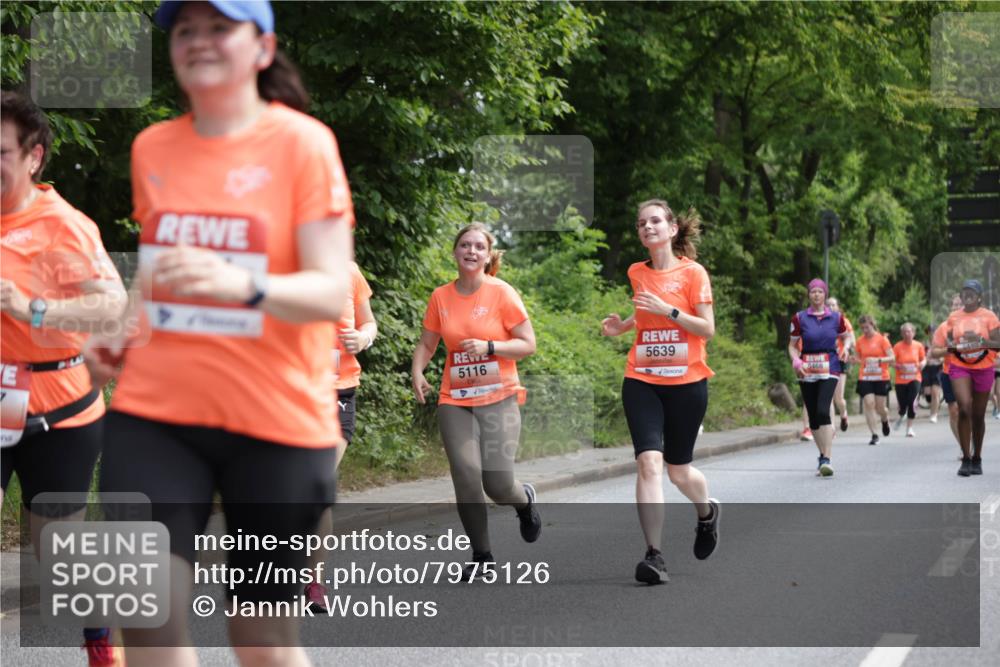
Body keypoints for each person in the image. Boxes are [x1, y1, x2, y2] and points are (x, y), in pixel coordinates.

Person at [85, 2, 354, 665]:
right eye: (184, 30)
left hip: (276, 421)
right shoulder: (154, 146)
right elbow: (159, 260)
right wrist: (123, 327)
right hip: (157, 411)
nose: (198, 41)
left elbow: (329, 289)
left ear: (262, 47)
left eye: (218, 27)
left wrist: (246, 285)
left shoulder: (303, 143)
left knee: (260, 637)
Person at [0, 90, 127, 666]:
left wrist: (31, 308)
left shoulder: (61, 226)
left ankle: (100, 643)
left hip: (59, 404)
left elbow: (111, 309)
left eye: (0, 151)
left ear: (34, 157)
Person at [411, 222, 541, 580]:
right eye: (464, 245)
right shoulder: (441, 296)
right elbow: (427, 343)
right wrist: (418, 371)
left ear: (488, 255)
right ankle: (482, 556)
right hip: (456, 397)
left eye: (478, 247)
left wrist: (490, 347)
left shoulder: (502, 293)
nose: (471, 251)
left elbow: (528, 344)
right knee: (466, 475)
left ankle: (524, 501)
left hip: (499, 396)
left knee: (497, 484)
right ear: (455, 252)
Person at [601, 199, 719, 584]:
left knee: (679, 471)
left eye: (655, 221)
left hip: (687, 383)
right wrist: (624, 326)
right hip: (643, 378)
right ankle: (654, 555)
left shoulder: (694, 273)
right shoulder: (637, 272)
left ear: (671, 229)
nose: (647, 227)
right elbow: (645, 309)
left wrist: (667, 310)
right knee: (648, 462)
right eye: (641, 223)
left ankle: (706, 513)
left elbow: (705, 328)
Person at [304, 260, 377, 609]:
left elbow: (369, 322)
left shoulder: (349, 270)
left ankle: (313, 582)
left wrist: (363, 337)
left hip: (338, 393)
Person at [932, 280, 1000, 476]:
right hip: (959, 366)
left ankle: (977, 457)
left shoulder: (989, 316)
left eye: (972, 292)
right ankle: (966, 458)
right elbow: (939, 349)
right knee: (963, 408)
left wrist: (979, 341)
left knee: (978, 416)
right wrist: (954, 347)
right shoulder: (953, 318)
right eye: (964, 292)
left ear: (979, 297)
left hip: (983, 367)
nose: (967, 295)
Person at [788, 279, 850, 476]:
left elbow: (846, 336)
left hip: (830, 366)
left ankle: (827, 459)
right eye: (813, 292)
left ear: (825, 295)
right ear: (809, 295)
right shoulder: (799, 318)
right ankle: (822, 454)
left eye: (820, 292)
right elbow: (791, 345)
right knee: (813, 417)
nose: (816, 295)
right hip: (807, 368)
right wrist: (796, 361)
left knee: (823, 411)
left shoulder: (836, 317)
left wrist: (846, 348)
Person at [853, 315, 894, 446]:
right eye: (862, 328)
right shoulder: (859, 341)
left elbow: (892, 358)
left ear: (872, 325)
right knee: (869, 403)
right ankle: (874, 434)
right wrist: (854, 360)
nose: (865, 330)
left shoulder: (882, 340)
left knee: (880, 407)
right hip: (865, 376)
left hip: (881, 376)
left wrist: (878, 360)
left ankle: (884, 418)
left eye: (867, 327)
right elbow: (859, 359)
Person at [933, 294, 966, 451]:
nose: (957, 307)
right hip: (949, 372)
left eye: (960, 304)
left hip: (969, 373)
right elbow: (934, 352)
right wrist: (950, 349)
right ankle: (963, 446)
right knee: (953, 411)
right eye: (955, 305)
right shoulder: (943, 328)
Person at [826, 296, 855, 432]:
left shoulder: (843, 321)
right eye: (828, 305)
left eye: (833, 305)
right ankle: (831, 428)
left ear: (838, 307)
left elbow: (851, 340)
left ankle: (843, 414)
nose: (831, 307)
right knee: (828, 397)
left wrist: (846, 347)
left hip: (840, 360)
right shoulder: (822, 321)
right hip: (826, 361)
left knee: (838, 398)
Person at [892, 322, 926, 438]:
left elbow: (923, 359)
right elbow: (891, 361)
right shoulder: (897, 346)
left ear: (914, 333)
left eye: (909, 331)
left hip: (915, 377)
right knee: (903, 406)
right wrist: (898, 366)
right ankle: (902, 415)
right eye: (905, 332)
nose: (907, 334)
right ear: (902, 334)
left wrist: (922, 364)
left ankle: (909, 428)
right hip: (901, 380)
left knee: (912, 402)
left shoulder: (918, 346)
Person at [922, 324, 943, 422]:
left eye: (934, 332)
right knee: (927, 394)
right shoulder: (924, 344)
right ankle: (933, 404)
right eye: (930, 332)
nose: (932, 334)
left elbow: (945, 356)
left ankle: (934, 414)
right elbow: (920, 355)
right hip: (926, 369)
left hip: (938, 368)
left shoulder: (941, 344)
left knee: (935, 392)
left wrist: (940, 358)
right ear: (928, 333)